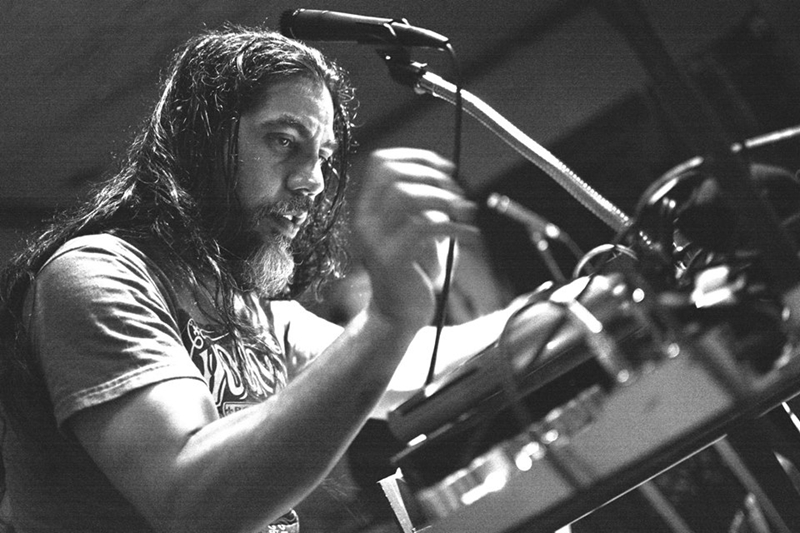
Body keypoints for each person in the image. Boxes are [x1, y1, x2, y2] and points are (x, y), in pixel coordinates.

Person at [0, 25, 523, 533]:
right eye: (283, 141)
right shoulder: (96, 274)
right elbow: (192, 506)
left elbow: (420, 365)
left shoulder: (253, 312)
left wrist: (560, 307)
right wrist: (386, 320)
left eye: (322, 157)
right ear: (201, 139)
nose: (312, 182)